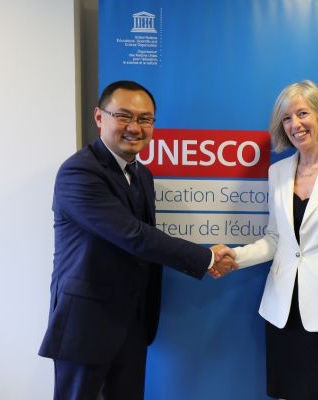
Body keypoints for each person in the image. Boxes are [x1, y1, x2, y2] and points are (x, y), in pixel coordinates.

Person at [39, 80, 235, 400]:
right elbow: (134, 236)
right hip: (86, 324)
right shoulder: (79, 172)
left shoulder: (142, 174)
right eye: (123, 116)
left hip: (133, 322)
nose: (135, 127)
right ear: (99, 117)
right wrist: (207, 258)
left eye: (145, 119)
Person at [214, 80, 318, 399]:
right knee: (287, 393)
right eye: (286, 118)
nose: (295, 124)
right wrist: (236, 257)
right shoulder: (278, 172)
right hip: (282, 310)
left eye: (302, 113)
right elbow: (276, 239)